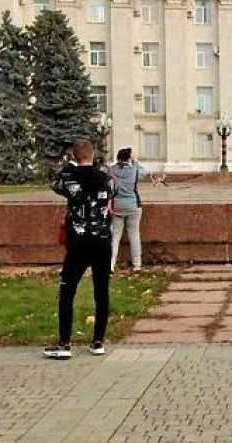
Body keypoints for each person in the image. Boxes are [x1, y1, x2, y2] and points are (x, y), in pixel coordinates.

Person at [44, 137, 115, 359]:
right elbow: (111, 194)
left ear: (73, 157)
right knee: (101, 291)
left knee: (67, 291)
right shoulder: (106, 179)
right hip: (102, 241)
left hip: (78, 242)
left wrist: (69, 166)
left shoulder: (68, 178)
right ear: (93, 155)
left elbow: (55, 184)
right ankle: (98, 341)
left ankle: (65, 344)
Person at [109, 147, 146, 273]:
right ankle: (137, 265)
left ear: (118, 158)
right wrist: (135, 161)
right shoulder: (135, 170)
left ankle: (110, 265)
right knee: (134, 236)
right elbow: (144, 172)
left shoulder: (112, 170)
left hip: (117, 206)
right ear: (129, 158)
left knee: (114, 236)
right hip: (133, 206)